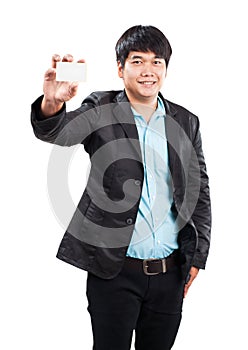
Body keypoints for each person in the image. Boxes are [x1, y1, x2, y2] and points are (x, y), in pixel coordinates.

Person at [31, 25, 211, 350]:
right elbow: (60, 134)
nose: (148, 71)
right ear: (120, 68)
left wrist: (198, 255)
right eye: (138, 61)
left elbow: (200, 191)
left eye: (157, 62)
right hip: (113, 270)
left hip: (171, 273)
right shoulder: (101, 108)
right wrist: (51, 103)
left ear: (166, 69)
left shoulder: (186, 121)